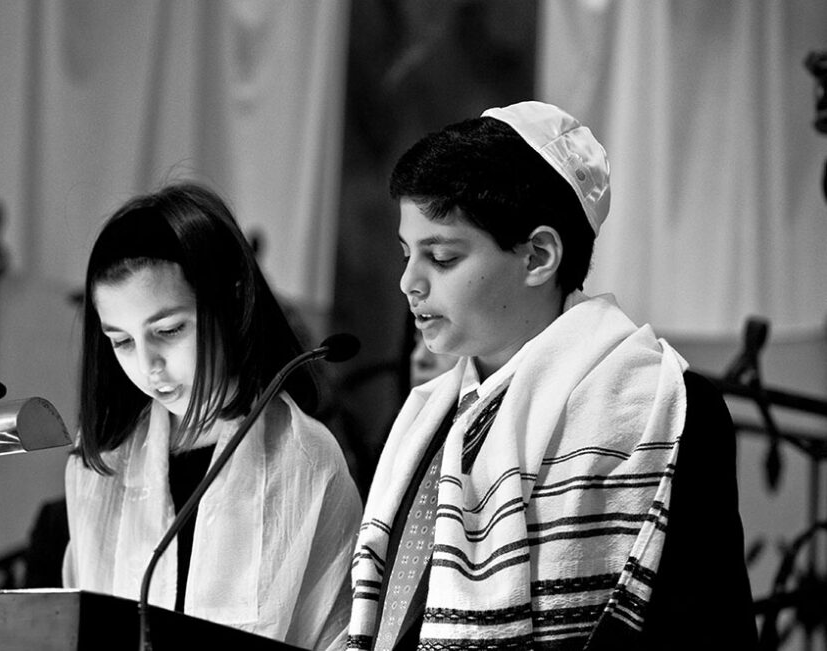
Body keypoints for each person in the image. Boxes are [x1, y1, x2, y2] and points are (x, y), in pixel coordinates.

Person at [348, 102, 757, 650]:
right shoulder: (429, 413)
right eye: (405, 255)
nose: (408, 284)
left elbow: (707, 632)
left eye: (441, 258)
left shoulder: (659, 412)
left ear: (538, 255)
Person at [62, 181, 362, 650]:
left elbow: (336, 635)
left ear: (231, 299)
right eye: (121, 341)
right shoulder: (102, 459)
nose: (148, 365)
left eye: (168, 329)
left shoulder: (305, 460)